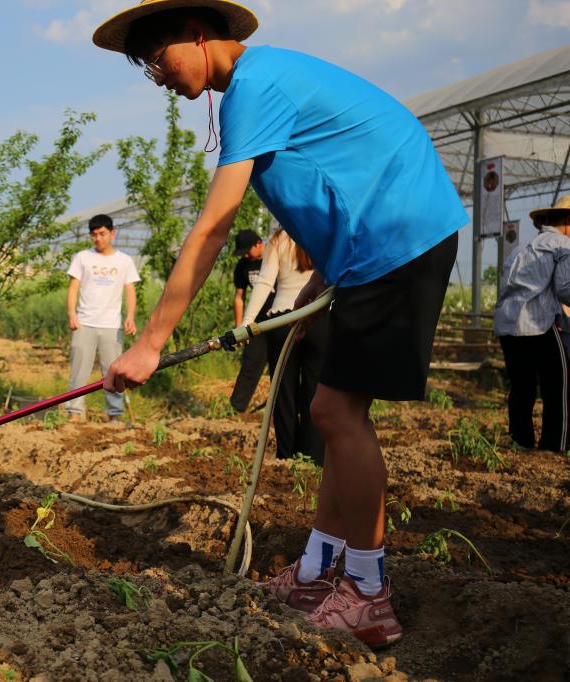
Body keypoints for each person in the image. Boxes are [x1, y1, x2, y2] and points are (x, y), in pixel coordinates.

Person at [94, 0, 465, 646]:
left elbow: (212, 228)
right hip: (376, 244)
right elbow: (321, 181)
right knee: (329, 409)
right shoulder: (260, 84)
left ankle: (369, 595)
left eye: (159, 58)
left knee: (336, 416)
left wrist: (150, 343)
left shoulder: (252, 88)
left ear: (197, 33)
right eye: (147, 69)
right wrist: (321, 281)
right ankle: (321, 571)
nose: (157, 75)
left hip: (400, 235)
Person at [242, 227, 327, 464]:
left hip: (283, 320)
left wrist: (247, 322)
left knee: (284, 393)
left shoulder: (279, 239)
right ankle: (313, 457)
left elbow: (265, 282)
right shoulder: (322, 231)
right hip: (320, 318)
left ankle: (287, 456)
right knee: (315, 391)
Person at [493, 196, 570, 452]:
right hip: (538, 323)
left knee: (522, 387)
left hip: (508, 325)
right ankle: (555, 445)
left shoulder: (522, 246)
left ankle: (520, 442)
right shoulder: (562, 245)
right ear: (568, 223)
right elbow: (565, 288)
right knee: (558, 384)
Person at [66, 214, 140, 421]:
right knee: (79, 370)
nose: (98, 239)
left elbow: (130, 290)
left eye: (102, 234)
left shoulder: (124, 261)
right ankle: (75, 412)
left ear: (112, 233)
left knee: (113, 372)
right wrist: (72, 314)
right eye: (94, 235)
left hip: (111, 325)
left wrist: (130, 317)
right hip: (84, 323)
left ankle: (114, 415)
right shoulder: (83, 257)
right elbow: (73, 288)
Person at [229, 228, 271, 413]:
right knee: (250, 364)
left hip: (282, 319)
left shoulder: (273, 259)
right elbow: (239, 296)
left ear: (259, 243)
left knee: (284, 366)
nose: (246, 255)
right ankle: (236, 410)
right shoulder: (243, 265)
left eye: (248, 250)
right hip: (256, 323)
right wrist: (240, 327)